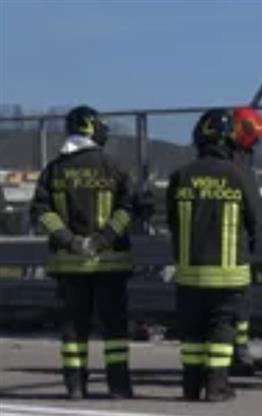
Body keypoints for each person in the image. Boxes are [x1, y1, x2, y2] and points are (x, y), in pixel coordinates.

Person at [30, 105, 135, 399]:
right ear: (93, 129)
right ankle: (119, 387)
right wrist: (103, 240)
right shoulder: (115, 166)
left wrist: (69, 240)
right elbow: (129, 209)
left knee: (73, 331)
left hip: (69, 266)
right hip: (110, 265)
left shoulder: (54, 169)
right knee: (114, 329)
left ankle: (75, 386)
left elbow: (40, 212)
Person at [166, 109, 262, 402]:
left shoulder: (181, 175)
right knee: (221, 329)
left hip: (189, 271)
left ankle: (191, 386)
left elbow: (171, 220)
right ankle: (217, 386)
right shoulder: (239, 174)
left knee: (193, 333)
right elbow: (256, 217)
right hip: (229, 272)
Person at [228, 107, 262, 377]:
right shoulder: (237, 164)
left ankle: (236, 351)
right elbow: (254, 208)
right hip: (235, 243)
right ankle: (237, 353)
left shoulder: (233, 158)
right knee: (239, 302)